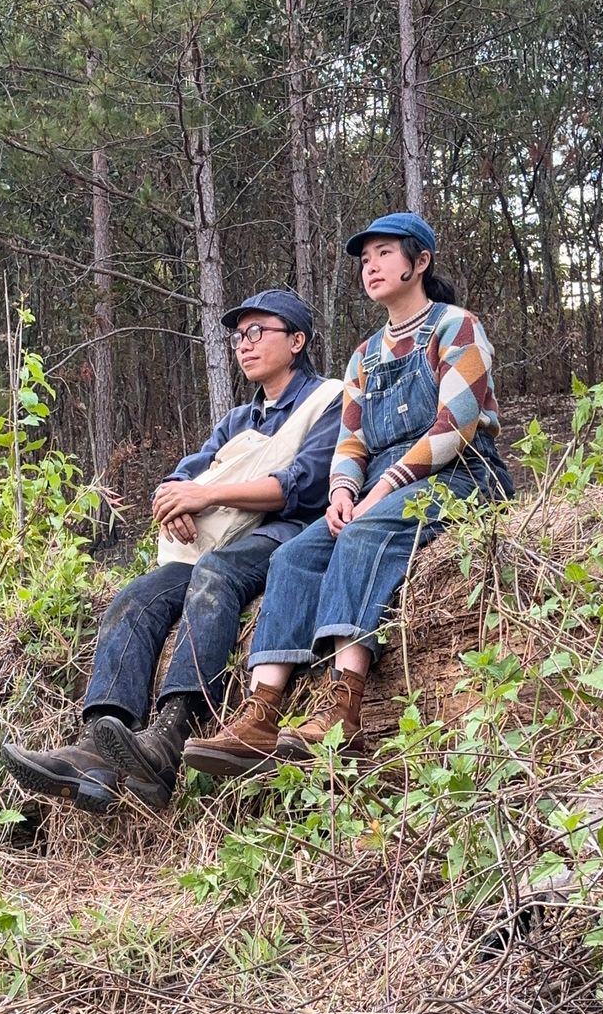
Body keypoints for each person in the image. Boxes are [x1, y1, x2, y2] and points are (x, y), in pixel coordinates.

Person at [183, 213, 513, 777]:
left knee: (361, 534)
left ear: (420, 261)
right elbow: (352, 441)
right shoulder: (364, 355)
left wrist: (380, 489)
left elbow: (455, 426)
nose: (372, 267)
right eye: (365, 259)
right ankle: (260, 713)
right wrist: (341, 490)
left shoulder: (456, 328)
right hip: (379, 482)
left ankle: (343, 710)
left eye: (384, 254)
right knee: (293, 555)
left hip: (461, 473)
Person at [0, 290, 342, 813]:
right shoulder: (237, 421)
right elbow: (186, 470)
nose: (244, 346)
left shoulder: (329, 400)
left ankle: (170, 732)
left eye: (257, 333)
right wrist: (172, 498)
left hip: (286, 531)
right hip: (218, 536)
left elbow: (306, 483)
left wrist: (206, 494)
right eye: (237, 337)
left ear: (296, 341)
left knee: (215, 574)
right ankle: (97, 747)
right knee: (135, 598)